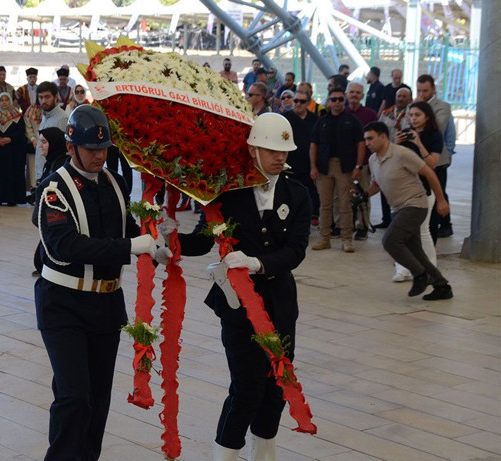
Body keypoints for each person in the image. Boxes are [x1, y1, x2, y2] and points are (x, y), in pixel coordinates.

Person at [171, 113, 308, 461]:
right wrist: (170, 238)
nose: (280, 157)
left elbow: (296, 249)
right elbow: (203, 240)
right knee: (247, 388)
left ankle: (264, 454)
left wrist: (258, 263)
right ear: (252, 150)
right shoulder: (229, 193)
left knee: (278, 385)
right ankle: (225, 456)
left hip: (279, 302)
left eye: (284, 151)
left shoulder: (297, 192)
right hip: (238, 305)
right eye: (271, 150)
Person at [32, 105, 153, 460]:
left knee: (98, 400)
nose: (100, 156)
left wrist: (164, 240)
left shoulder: (114, 183)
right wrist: (132, 246)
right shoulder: (53, 190)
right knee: (74, 397)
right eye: (91, 149)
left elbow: (127, 229)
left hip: (106, 306)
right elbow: (66, 245)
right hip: (63, 305)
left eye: (104, 150)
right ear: (71, 148)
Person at [359, 122, 453, 300]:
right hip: (397, 208)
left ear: (383, 137)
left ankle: (419, 274)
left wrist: (441, 200)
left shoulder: (402, 154)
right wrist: (363, 195)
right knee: (416, 250)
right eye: (365, 140)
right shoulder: (373, 160)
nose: (367, 143)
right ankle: (442, 286)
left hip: (415, 205)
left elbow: (430, 173)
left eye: (371, 138)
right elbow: (377, 184)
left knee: (390, 241)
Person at [391, 101, 443, 282]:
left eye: (417, 115)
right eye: (411, 115)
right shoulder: (404, 135)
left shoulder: (434, 136)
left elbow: (433, 164)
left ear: (427, 116)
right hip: (402, 189)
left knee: (422, 230)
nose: (413, 119)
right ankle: (403, 268)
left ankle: (431, 268)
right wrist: (395, 145)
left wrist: (419, 143)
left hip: (423, 190)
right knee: (400, 232)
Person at [310, 87, 364, 252]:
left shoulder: (352, 121)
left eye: (340, 99)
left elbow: (360, 144)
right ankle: (324, 238)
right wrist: (313, 166)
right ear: (329, 101)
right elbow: (314, 144)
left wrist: (358, 166)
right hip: (324, 168)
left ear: (344, 100)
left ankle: (346, 240)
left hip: (345, 168)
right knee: (325, 205)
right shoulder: (321, 121)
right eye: (334, 99)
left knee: (345, 205)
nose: (337, 102)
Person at [416, 74, 455, 239]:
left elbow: (437, 127)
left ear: (433, 89)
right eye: (419, 90)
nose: (422, 94)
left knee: (439, 193)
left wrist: (419, 109)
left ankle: (444, 224)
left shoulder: (443, 106)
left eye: (425, 90)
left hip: (437, 159)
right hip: (417, 159)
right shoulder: (415, 107)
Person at [344, 82, 379, 241]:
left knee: (363, 195)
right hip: (344, 164)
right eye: (352, 92)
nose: (354, 95)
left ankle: (363, 227)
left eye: (358, 92)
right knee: (344, 197)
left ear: (363, 96)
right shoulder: (341, 112)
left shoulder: (370, 115)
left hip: (364, 163)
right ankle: (346, 226)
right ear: (346, 94)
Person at [375, 87, 413, 229]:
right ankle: (386, 219)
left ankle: (398, 219)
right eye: (399, 96)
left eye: (404, 96)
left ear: (409, 98)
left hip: (405, 155)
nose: (401, 99)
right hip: (387, 154)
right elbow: (379, 130)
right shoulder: (387, 113)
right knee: (385, 186)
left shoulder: (412, 114)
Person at [284, 89, 319, 225]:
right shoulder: (285, 118)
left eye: (302, 101)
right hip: (289, 165)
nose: (298, 104)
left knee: (307, 196)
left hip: (308, 166)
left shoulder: (315, 119)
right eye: (296, 100)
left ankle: (304, 222)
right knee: (289, 196)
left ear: (309, 103)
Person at [0, 92, 26, 206]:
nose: (4, 102)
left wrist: (10, 139)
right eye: (2, 100)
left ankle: (11, 198)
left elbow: (20, 133)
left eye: (6, 100)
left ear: (10, 101)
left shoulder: (17, 116)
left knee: (11, 173)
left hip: (11, 151)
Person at [33, 82, 69, 185]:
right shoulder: (44, 116)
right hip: (43, 173)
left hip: (53, 175)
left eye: (47, 97)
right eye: (41, 97)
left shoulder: (63, 118)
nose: (43, 101)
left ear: (55, 96)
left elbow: (65, 152)